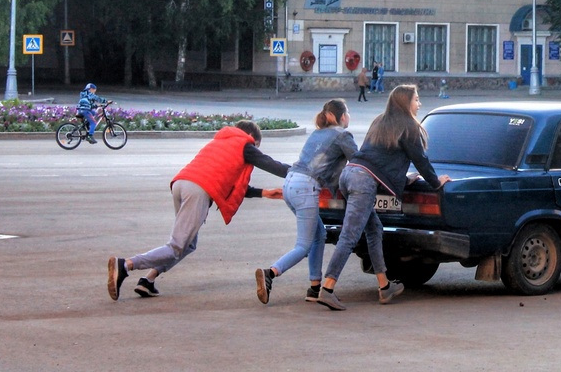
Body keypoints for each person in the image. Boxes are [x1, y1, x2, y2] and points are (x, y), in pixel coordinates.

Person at [107, 120, 288, 300]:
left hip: (181, 183)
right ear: (251, 137)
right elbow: (272, 165)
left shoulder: (221, 141)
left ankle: (148, 280)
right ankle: (126, 265)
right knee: (176, 246)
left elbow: (232, 186)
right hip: (198, 190)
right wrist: (299, 172)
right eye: (256, 146)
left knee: (188, 244)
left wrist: (263, 193)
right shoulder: (245, 145)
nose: (255, 150)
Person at [316, 84, 450, 311]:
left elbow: (377, 157)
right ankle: (327, 289)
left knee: (375, 230)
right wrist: (436, 182)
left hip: (350, 174)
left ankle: (384, 286)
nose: (419, 104)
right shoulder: (408, 127)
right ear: (405, 102)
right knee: (349, 236)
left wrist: (404, 179)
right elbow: (421, 160)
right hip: (363, 182)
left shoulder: (380, 121)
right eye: (416, 99)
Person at [256, 99, 357, 305]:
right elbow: (358, 160)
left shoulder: (317, 133)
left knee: (319, 234)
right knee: (303, 245)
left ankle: (314, 287)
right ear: (342, 116)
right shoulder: (343, 135)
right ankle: (270, 273)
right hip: (305, 187)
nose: (349, 116)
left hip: (290, 183)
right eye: (347, 113)